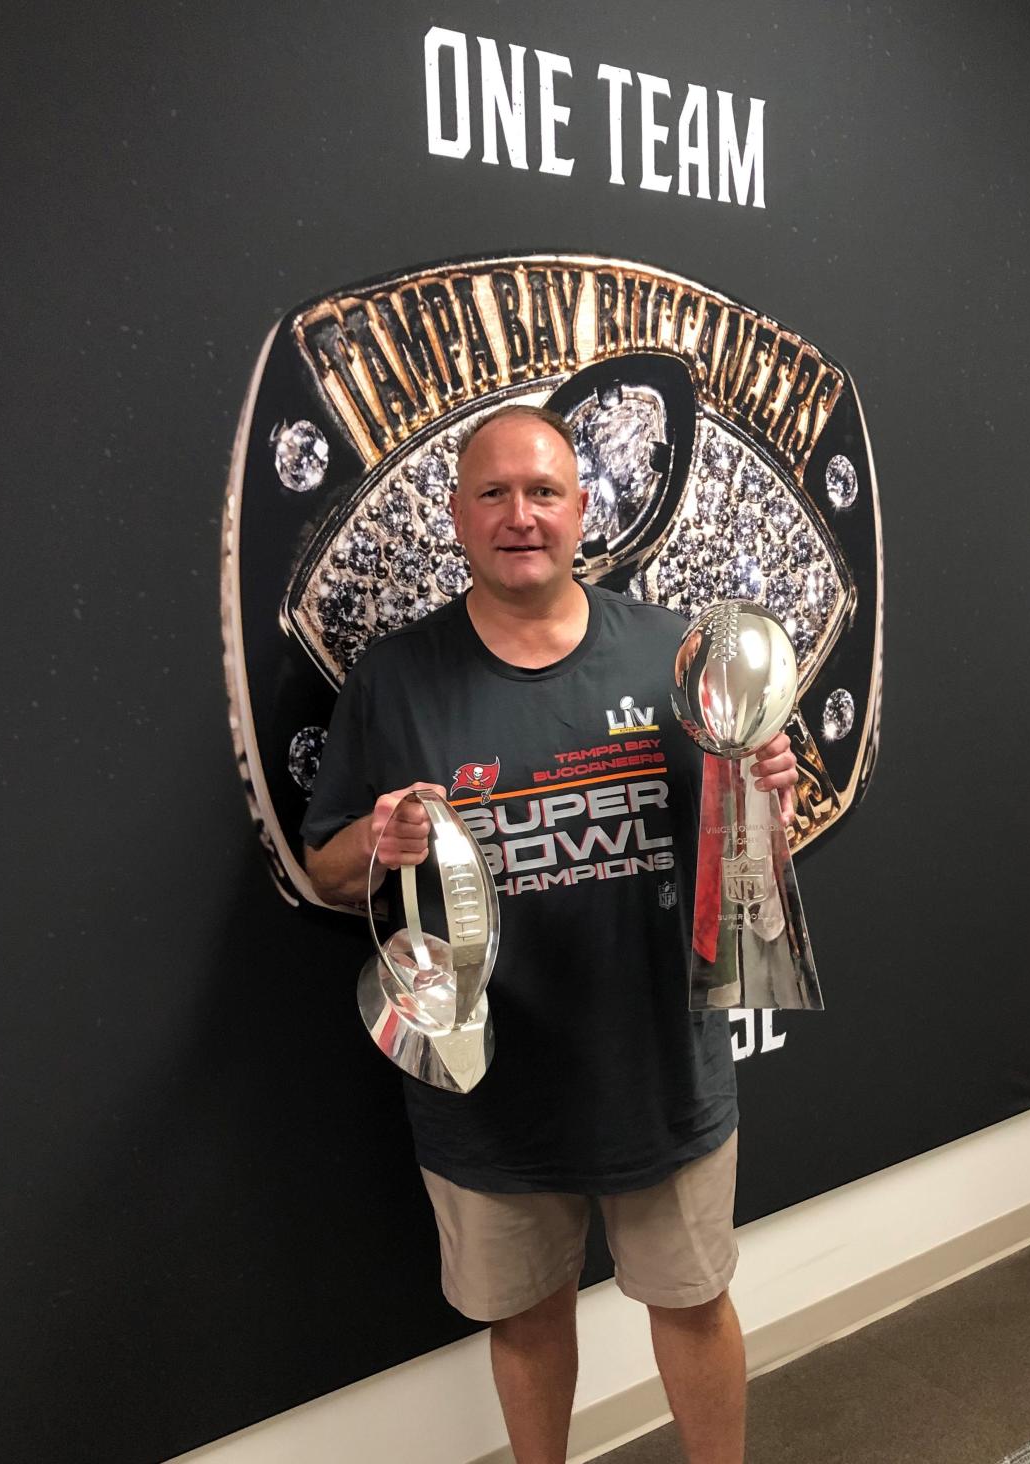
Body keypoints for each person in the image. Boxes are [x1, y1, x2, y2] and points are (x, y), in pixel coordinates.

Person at [303, 405, 798, 1464]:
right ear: (455, 516)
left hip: (659, 1059)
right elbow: (324, 864)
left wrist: (770, 801)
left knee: (696, 1303)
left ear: (582, 510)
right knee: (527, 1323)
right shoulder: (395, 677)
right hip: (490, 1081)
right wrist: (380, 842)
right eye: (493, 494)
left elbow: (740, 850)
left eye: (542, 493)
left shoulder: (677, 653)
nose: (519, 515)